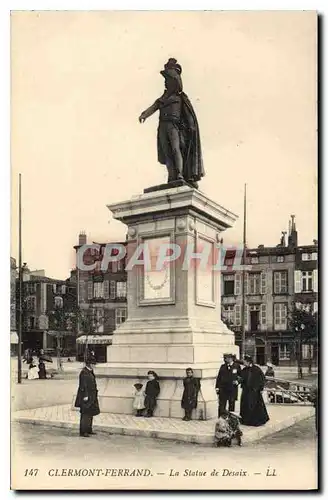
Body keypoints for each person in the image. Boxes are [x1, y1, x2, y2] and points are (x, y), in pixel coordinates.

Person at [139, 58, 204, 188]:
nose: (165, 83)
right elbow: (153, 107)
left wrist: (191, 127)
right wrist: (144, 115)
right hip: (162, 126)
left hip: (175, 127)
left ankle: (179, 174)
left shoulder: (180, 98)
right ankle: (171, 175)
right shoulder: (162, 99)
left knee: (175, 149)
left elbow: (189, 116)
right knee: (167, 151)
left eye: (167, 80)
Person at [240, 355, 270, 427]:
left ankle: (256, 421)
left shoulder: (257, 369)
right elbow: (241, 378)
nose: (243, 363)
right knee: (246, 405)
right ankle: (246, 420)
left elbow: (262, 379)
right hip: (246, 391)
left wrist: (261, 388)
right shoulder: (244, 370)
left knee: (255, 406)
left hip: (255, 391)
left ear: (248, 361)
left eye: (244, 361)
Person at [74, 354, 100, 437]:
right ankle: (83, 431)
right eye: (93, 364)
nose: (94, 365)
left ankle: (89, 429)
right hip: (86, 396)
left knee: (90, 412)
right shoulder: (84, 372)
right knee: (85, 414)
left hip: (92, 395)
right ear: (89, 364)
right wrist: (85, 395)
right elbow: (83, 385)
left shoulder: (90, 371)